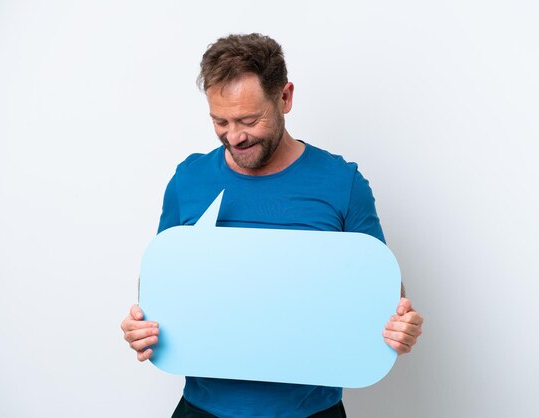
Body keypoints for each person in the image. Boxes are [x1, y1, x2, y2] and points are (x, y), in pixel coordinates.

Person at [121, 33, 423, 418]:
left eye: (249, 119)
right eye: (220, 121)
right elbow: (161, 283)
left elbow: (382, 290)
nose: (235, 136)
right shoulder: (189, 179)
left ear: (285, 97)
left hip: (310, 411)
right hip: (203, 408)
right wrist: (141, 326)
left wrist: (400, 325)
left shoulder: (341, 183)